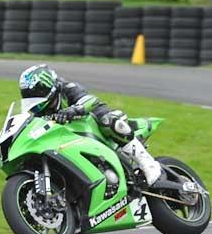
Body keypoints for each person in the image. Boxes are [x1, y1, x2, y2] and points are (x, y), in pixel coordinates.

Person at [18, 64, 162, 185]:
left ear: (48, 89)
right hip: (70, 141)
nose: (36, 106)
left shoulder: (67, 88)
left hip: (93, 124)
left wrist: (73, 110)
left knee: (109, 122)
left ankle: (147, 163)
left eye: (37, 99)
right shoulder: (39, 115)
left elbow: (90, 100)